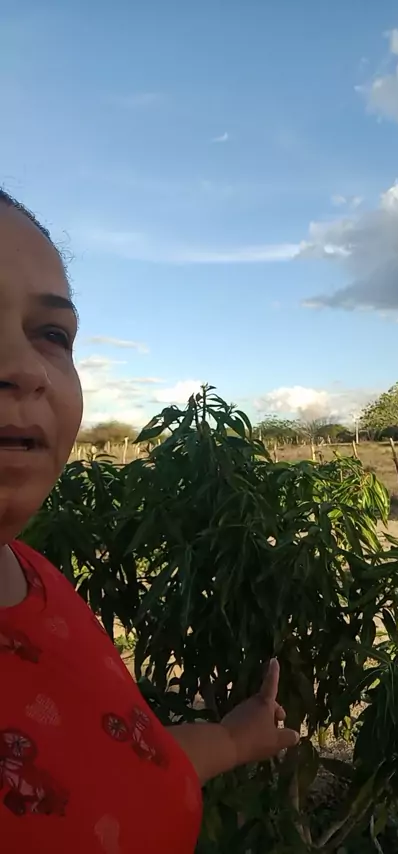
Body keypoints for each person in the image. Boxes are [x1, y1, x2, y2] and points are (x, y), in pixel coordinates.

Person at [0, 190, 299, 853]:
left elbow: (111, 759)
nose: (24, 368)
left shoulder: (36, 579)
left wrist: (231, 738)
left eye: (52, 334)